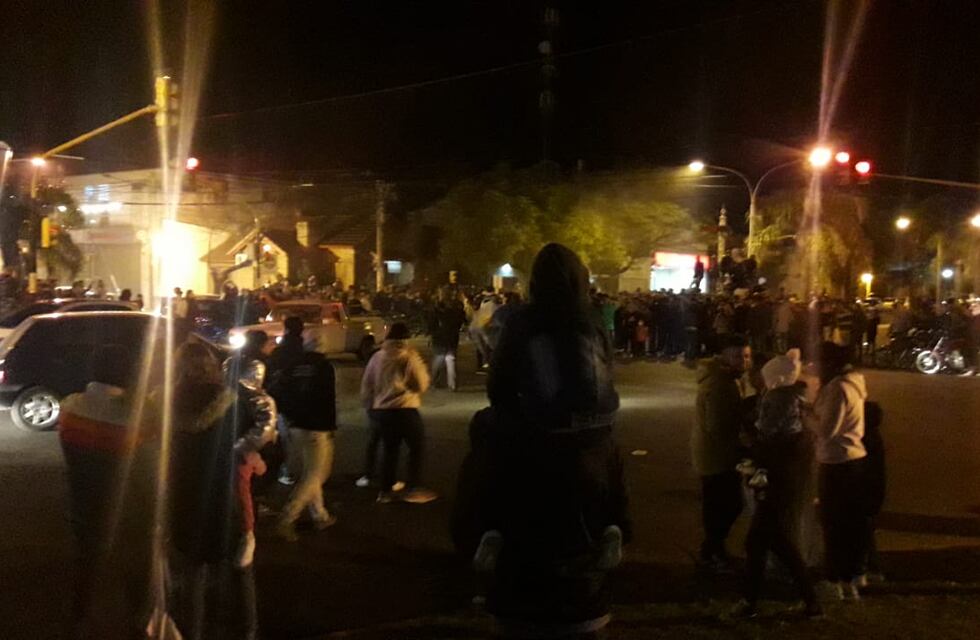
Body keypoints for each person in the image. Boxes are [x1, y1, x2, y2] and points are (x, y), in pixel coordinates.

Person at [476, 242, 630, 639]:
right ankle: (615, 526)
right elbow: (607, 369)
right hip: (597, 428)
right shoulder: (593, 318)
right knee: (612, 464)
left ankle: (487, 529)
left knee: (484, 433)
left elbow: (500, 385)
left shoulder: (524, 321)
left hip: (540, 429)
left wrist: (516, 416)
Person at [153, 342, 276, 640]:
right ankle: (247, 631)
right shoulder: (228, 401)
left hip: (180, 495)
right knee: (237, 569)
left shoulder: (161, 401)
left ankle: (192, 633)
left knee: (192, 575)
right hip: (223, 495)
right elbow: (249, 446)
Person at [58, 345, 156, 638]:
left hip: (82, 503)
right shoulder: (135, 417)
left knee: (87, 567)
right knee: (136, 571)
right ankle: (138, 625)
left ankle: (80, 622)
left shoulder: (70, 407)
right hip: (128, 510)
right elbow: (149, 471)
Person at [731, 349, 821, 618]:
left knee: (762, 542)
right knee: (775, 543)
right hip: (781, 481)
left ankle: (750, 603)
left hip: (775, 483)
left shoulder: (780, 402)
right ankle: (808, 601)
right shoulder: (792, 403)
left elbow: (770, 440)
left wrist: (753, 454)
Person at [806, 341, 869, 601]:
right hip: (855, 461)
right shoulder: (853, 383)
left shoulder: (837, 388)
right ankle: (854, 574)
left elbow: (826, 431)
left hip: (837, 463)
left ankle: (835, 580)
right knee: (852, 523)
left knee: (834, 523)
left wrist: (803, 415)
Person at [269, 326, 339, 542]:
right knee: (316, 474)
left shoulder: (294, 365)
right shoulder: (325, 367)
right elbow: (327, 400)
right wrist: (330, 426)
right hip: (317, 427)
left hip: (295, 425)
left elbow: (279, 390)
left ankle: (320, 516)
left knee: (311, 472)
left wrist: (287, 415)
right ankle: (287, 518)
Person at [692, 333, 752, 572]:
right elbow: (718, 427)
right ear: (724, 356)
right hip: (716, 455)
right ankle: (711, 552)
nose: (744, 361)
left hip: (715, 453)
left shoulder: (726, 379)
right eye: (738, 356)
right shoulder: (720, 384)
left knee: (722, 505)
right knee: (725, 505)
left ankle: (713, 549)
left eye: (747, 356)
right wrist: (743, 444)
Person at [360, 322, 437, 504]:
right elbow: (420, 384)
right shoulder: (408, 357)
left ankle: (385, 491)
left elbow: (367, 384)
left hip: (382, 411)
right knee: (416, 447)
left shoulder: (377, 357)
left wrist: (370, 406)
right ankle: (414, 488)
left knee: (390, 450)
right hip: (405, 408)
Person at [428, 288, 467, 391]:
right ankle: (452, 384)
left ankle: (434, 381)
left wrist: (431, 333)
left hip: (439, 337)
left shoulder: (436, 308)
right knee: (451, 359)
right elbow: (462, 320)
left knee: (439, 359)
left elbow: (431, 323)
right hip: (452, 336)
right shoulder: (456, 307)